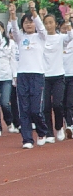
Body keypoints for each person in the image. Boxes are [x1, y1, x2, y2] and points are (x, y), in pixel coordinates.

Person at [7, 1, 48, 149]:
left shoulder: (41, 37)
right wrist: (12, 14)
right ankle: (27, 139)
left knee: (35, 109)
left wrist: (33, 10)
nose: (29, 25)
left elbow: (42, 27)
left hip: (37, 75)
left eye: (31, 22)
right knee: (23, 109)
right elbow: (14, 29)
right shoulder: (19, 38)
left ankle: (42, 131)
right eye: (26, 22)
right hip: (22, 75)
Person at [41, 11, 70, 142]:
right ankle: (49, 133)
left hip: (58, 76)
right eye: (46, 23)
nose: (48, 25)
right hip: (44, 77)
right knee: (45, 106)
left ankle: (59, 127)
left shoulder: (60, 38)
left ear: (56, 24)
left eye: (51, 23)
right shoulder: (41, 38)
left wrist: (68, 21)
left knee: (57, 104)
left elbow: (71, 36)